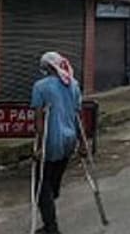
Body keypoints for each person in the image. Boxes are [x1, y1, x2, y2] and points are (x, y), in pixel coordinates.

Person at [32, 51, 84, 234]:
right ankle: (50, 214)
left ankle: (51, 227)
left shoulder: (40, 87)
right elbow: (78, 115)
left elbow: (39, 119)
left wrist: (39, 146)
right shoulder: (73, 84)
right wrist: (82, 143)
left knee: (41, 185)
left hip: (51, 139)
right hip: (70, 139)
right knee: (54, 180)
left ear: (47, 67)